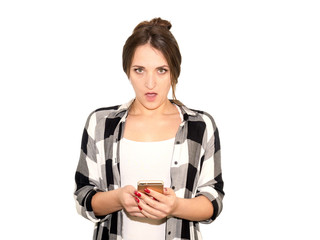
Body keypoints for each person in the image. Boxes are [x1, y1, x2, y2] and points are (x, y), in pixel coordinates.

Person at [74, 17, 224, 240]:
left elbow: (213, 200)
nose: (150, 83)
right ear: (127, 71)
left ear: (174, 71)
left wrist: (175, 207)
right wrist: (117, 199)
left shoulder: (200, 125)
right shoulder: (100, 123)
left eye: (161, 70)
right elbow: (83, 196)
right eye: (139, 70)